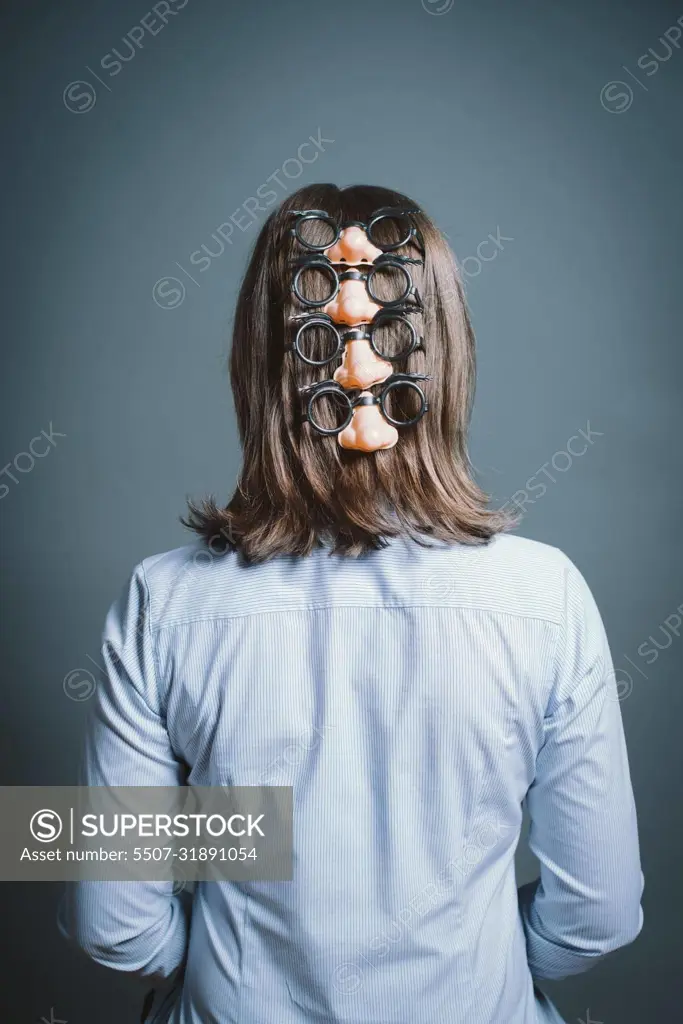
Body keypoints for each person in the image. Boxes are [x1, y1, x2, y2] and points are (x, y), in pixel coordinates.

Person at [58, 183, 644, 1023]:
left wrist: (239, 959)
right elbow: (597, 916)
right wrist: (470, 960)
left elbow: (111, 923)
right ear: (444, 356)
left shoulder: (162, 602)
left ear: (258, 363)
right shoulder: (545, 595)